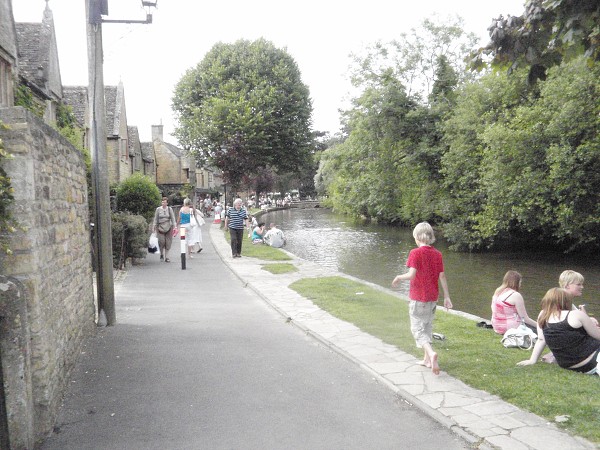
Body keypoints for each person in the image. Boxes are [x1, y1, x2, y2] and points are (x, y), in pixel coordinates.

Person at [391, 222, 452, 375]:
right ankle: (426, 360)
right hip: (432, 297)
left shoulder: (415, 253)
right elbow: (442, 276)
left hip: (418, 297)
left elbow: (411, 275)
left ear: (417, 237)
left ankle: (431, 354)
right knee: (427, 327)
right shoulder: (438, 254)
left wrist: (398, 277)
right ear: (430, 236)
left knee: (417, 329)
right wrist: (447, 297)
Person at [517, 287, 600, 375]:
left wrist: (532, 360)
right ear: (567, 301)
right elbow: (597, 335)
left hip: (569, 365)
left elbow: (541, 340)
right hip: (591, 360)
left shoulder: (543, 315)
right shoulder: (576, 315)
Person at [153, 197, 177, 263]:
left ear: (167, 203)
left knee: (168, 242)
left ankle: (167, 257)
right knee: (161, 242)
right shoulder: (158, 209)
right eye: (162, 202)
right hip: (160, 227)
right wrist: (154, 227)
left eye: (165, 202)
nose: (163, 203)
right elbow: (155, 218)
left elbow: (173, 218)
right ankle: (161, 254)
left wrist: (175, 226)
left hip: (168, 227)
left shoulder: (170, 209)